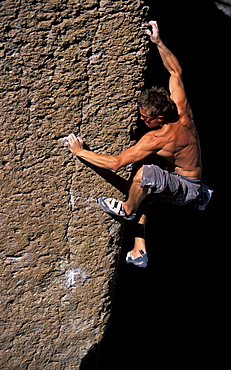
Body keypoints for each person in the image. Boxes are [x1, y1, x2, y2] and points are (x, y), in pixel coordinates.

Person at [65, 21, 212, 268]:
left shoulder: (157, 138)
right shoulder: (180, 107)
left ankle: (128, 209)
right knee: (143, 187)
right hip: (184, 177)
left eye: (146, 118)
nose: (142, 120)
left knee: (145, 175)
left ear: (160, 117)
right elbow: (175, 72)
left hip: (187, 187)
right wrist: (158, 42)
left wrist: (80, 151)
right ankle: (138, 250)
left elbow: (116, 162)